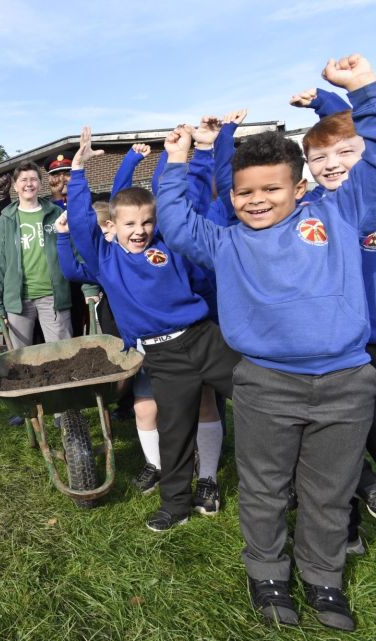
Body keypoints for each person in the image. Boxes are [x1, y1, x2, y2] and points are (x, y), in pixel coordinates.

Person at [156, 53, 376, 632]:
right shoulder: (226, 244)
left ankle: (324, 578)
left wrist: (365, 90)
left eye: (270, 189)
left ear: (298, 186)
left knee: (331, 491)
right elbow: (174, 223)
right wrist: (176, 162)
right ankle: (268, 574)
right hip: (266, 384)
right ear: (231, 195)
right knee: (264, 488)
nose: (256, 200)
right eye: (244, 192)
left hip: (347, 381)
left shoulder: (340, 214)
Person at [68, 126, 237, 533]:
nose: (139, 230)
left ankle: (244, 479)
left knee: (264, 399)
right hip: (163, 356)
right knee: (175, 431)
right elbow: (79, 223)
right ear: (113, 225)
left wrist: (199, 153)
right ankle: (174, 504)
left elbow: (189, 200)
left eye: (146, 222)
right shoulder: (105, 259)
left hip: (204, 338)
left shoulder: (168, 244)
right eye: (129, 224)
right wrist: (77, 173)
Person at [300, 109, 375, 555]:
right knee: (337, 446)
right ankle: (345, 529)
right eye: (319, 157)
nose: (331, 163)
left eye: (346, 152)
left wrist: (341, 96)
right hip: (342, 350)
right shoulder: (313, 213)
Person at [0, 161, 73, 349]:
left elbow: (75, 250)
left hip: (53, 297)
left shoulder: (56, 212)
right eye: (24, 180)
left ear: (40, 184)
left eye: (33, 179)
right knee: (21, 360)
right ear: (16, 185)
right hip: (18, 301)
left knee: (64, 355)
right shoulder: (6, 220)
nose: (29, 184)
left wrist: (89, 288)